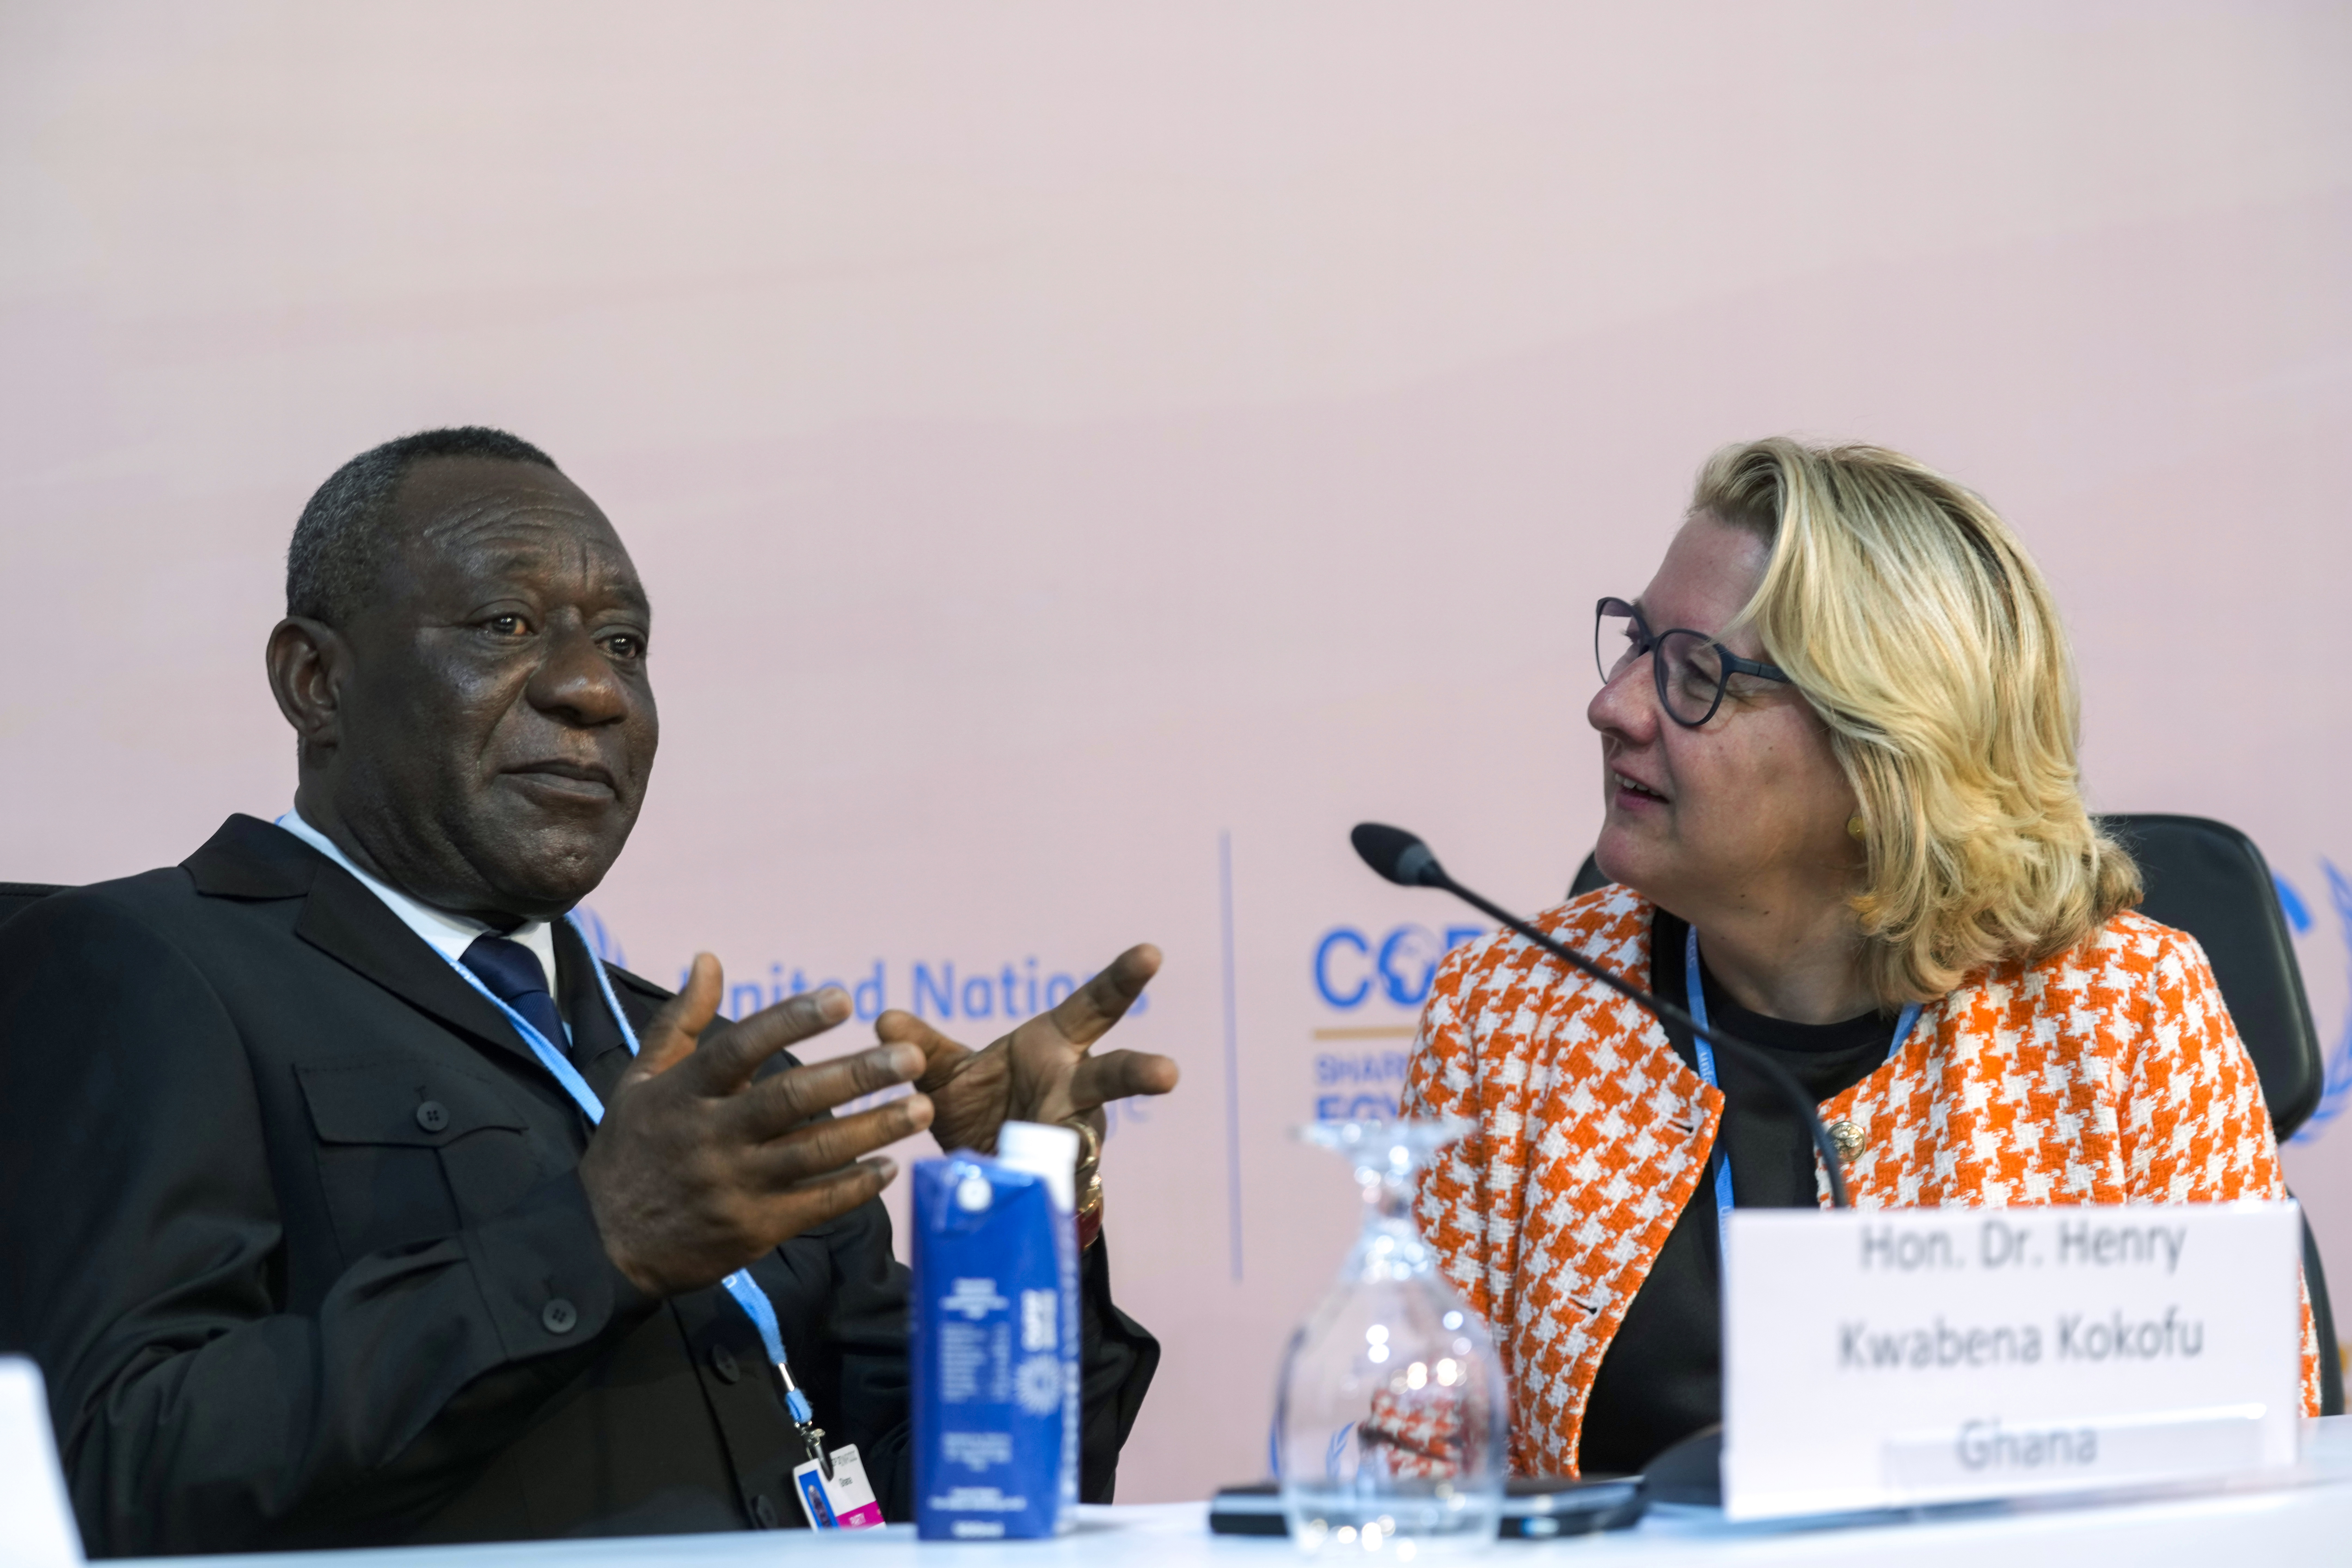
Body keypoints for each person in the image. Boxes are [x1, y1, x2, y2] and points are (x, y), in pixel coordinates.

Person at [0, 427, 1179, 1553]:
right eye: (506, 623)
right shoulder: (147, 967)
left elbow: (979, 1504)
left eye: (623, 645)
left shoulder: (719, 1076)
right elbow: (108, 1468)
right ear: (316, 681)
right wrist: (593, 1243)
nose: (592, 691)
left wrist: (1033, 1206)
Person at [1403, 437, 2322, 1478]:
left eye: (1694, 675)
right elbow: (1416, 1470)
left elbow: (2251, 1464)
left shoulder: (2124, 1013)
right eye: (1635, 644)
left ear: (1884, 750)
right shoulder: (1513, 1011)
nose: (1613, 706)